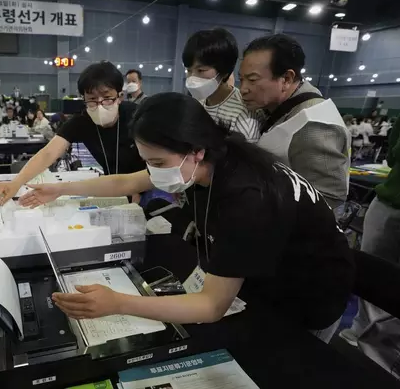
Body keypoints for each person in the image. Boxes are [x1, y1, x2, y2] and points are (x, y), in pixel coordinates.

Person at [21, 93, 354, 343]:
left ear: (196, 150)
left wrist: (118, 303)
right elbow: (127, 181)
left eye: (159, 163)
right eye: (147, 160)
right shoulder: (212, 159)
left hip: (309, 292)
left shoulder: (246, 197)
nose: (153, 172)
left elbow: (211, 307)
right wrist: (60, 190)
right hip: (265, 273)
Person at [0, 61, 146, 205]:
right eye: (92, 99)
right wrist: (16, 183)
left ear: (119, 96)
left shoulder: (137, 116)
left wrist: (139, 189)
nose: (100, 105)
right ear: (83, 99)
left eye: (107, 98)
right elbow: (48, 153)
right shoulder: (81, 122)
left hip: (148, 183)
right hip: (113, 187)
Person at [239, 34, 350, 210]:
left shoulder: (313, 125)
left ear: (287, 79)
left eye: (252, 80)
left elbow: (328, 197)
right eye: (241, 79)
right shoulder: (276, 108)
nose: (243, 89)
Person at [339, 118, 400, 373]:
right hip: (390, 205)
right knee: (371, 281)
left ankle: (380, 357)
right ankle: (358, 339)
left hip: (389, 206)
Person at [182, 28, 261, 143]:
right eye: (189, 71)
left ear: (224, 72)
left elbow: (246, 159)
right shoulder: (199, 103)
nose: (192, 78)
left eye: (201, 70)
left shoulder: (241, 115)